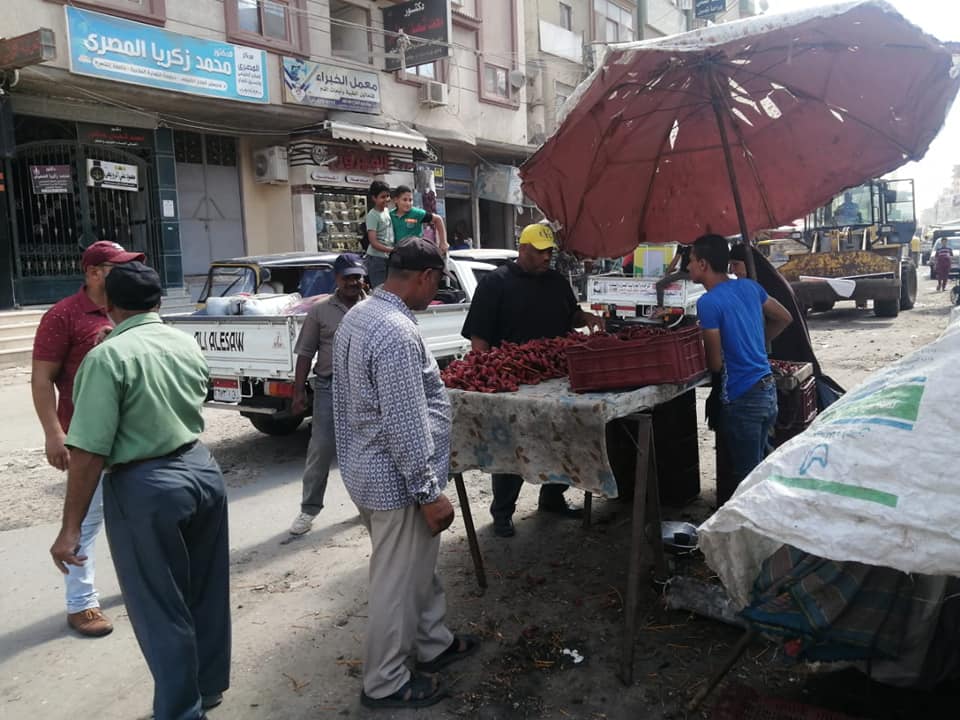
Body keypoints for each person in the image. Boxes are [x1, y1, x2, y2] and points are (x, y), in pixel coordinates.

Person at [49, 262, 231, 720]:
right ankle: (207, 689)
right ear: (157, 301)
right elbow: (201, 393)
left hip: (146, 484)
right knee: (205, 592)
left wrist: (70, 529)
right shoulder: (183, 341)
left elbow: (89, 450)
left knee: (158, 605)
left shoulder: (108, 356)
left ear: (109, 304)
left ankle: (180, 711)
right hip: (201, 470)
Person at [333, 239, 479, 710]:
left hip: (368, 469)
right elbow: (404, 419)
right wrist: (427, 490)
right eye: (436, 286)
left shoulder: (359, 313)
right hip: (395, 481)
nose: (434, 295)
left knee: (417, 569)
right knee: (395, 585)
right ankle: (385, 681)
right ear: (427, 278)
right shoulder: (395, 330)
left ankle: (433, 643)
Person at [31, 240, 144, 637]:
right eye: (119, 267)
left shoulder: (130, 310)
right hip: (87, 440)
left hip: (133, 437)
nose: (128, 273)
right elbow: (42, 379)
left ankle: (138, 587)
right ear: (94, 273)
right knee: (83, 523)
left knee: (134, 519)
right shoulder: (63, 316)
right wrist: (54, 433)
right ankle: (81, 604)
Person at [461, 224, 604, 537]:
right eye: (540, 251)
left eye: (549, 251)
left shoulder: (556, 281)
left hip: (555, 377)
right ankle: (502, 512)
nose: (546, 257)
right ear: (522, 248)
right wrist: (485, 372)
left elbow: (573, 315)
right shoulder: (495, 284)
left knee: (559, 439)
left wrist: (588, 319)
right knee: (509, 447)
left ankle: (552, 497)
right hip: (513, 381)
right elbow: (479, 337)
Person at [687, 234, 794, 506]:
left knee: (748, 484)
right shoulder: (749, 287)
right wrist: (758, 341)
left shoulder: (708, 303)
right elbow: (784, 317)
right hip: (767, 392)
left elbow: (715, 364)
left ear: (703, 264)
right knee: (761, 470)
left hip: (743, 398)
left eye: (690, 261)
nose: (687, 267)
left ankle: (762, 541)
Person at [287, 253, 367, 536]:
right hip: (328, 388)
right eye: (348, 277)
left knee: (364, 449)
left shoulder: (371, 308)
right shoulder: (320, 310)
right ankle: (308, 510)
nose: (353, 282)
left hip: (363, 388)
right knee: (320, 448)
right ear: (336, 278)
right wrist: (298, 393)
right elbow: (305, 353)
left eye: (357, 276)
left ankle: (367, 505)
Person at [391, 185, 448, 254]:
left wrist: (443, 242)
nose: (408, 203)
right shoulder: (390, 215)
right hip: (398, 253)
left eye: (410, 200)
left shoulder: (417, 213)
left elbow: (438, 219)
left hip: (416, 252)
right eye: (405, 200)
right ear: (396, 200)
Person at [364, 181, 395, 287]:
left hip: (387, 258)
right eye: (383, 197)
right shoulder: (372, 215)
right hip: (376, 259)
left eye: (388, 196)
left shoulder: (387, 211)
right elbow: (373, 242)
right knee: (379, 292)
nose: (386, 199)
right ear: (374, 198)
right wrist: (392, 250)